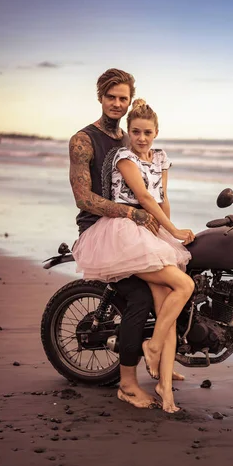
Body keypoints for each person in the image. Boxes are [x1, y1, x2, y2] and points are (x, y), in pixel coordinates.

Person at [72, 99, 195, 413]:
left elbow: (162, 200)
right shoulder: (125, 158)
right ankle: (152, 347)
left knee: (165, 300)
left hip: (152, 231)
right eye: (136, 131)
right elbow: (142, 198)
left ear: (156, 133)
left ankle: (165, 389)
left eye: (148, 132)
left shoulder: (161, 158)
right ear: (129, 132)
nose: (142, 137)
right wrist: (175, 231)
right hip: (125, 230)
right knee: (184, 286)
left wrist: (169, 233)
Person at [69, 68, 162, 411]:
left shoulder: (131, 139)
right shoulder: (83, 140)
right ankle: (126, 383)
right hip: (99, 229)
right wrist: (131, 214)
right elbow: (84, 198)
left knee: (174, 280)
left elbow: (145, 188)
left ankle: (165, 360)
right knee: (139, 298)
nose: (117, 104)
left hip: (130, 227)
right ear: (101, 97)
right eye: (111, 97)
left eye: (123, 98)